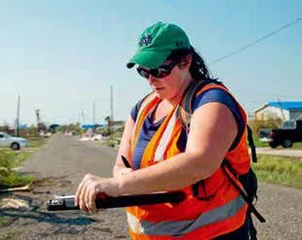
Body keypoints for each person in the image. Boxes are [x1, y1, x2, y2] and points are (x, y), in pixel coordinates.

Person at [75, 22, 252, 239]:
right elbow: (122, 163)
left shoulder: (212, 102)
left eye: (159, 70)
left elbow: (199, 162)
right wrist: (124, 179)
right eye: (144, 71)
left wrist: (120, 184)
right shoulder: (142, 108)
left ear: (185, 61)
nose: (151, 79)